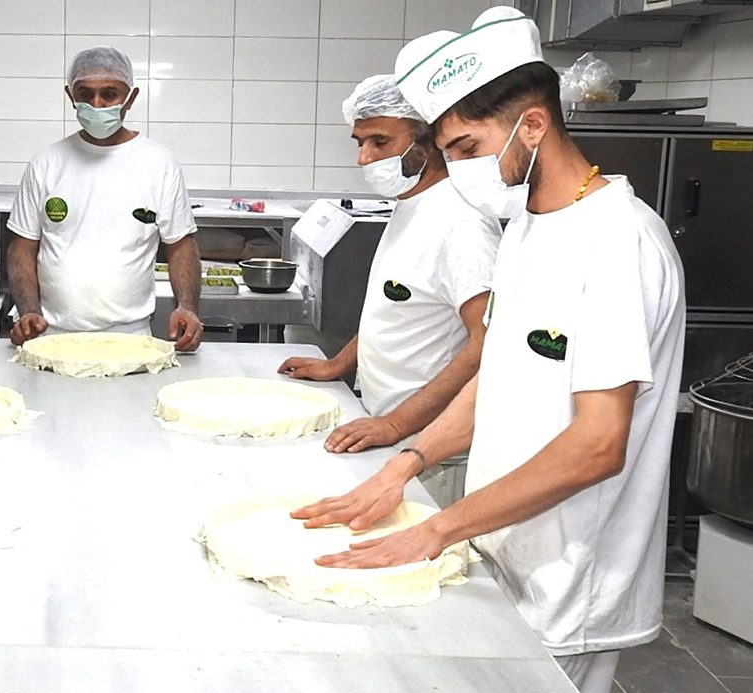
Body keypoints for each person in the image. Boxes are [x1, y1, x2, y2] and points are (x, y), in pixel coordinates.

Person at [291, 8, 684, 693]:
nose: (457, 170)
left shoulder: (617, 241)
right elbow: (499, 372)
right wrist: (406, 462)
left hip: (571, 582)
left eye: (469, 148)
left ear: (533, 125)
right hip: (502, 549)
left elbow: (598, 443)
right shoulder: (530, 225)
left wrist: (438, 527)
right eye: (447, 152)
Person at [277, 74, 500, 455]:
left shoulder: (463, 224)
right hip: (385, 427)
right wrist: (339, 364)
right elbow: (393, 314)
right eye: (360, 142)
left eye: (380, 142)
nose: (364, 158)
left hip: (431, 446)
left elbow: (488, 345)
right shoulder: (410, 203)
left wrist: (397, 424)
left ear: (429, 137)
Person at [7, 46, 203, 351]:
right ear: (70, 96)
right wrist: (29, 311)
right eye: (85, 94)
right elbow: (22, 249)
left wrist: (187, 306)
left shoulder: (158, 164)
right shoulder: (46, 164)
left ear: (131, 97)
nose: (96, 104)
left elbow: (180, 246)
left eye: (109, 94)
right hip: (50, 337)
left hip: (131, 338)